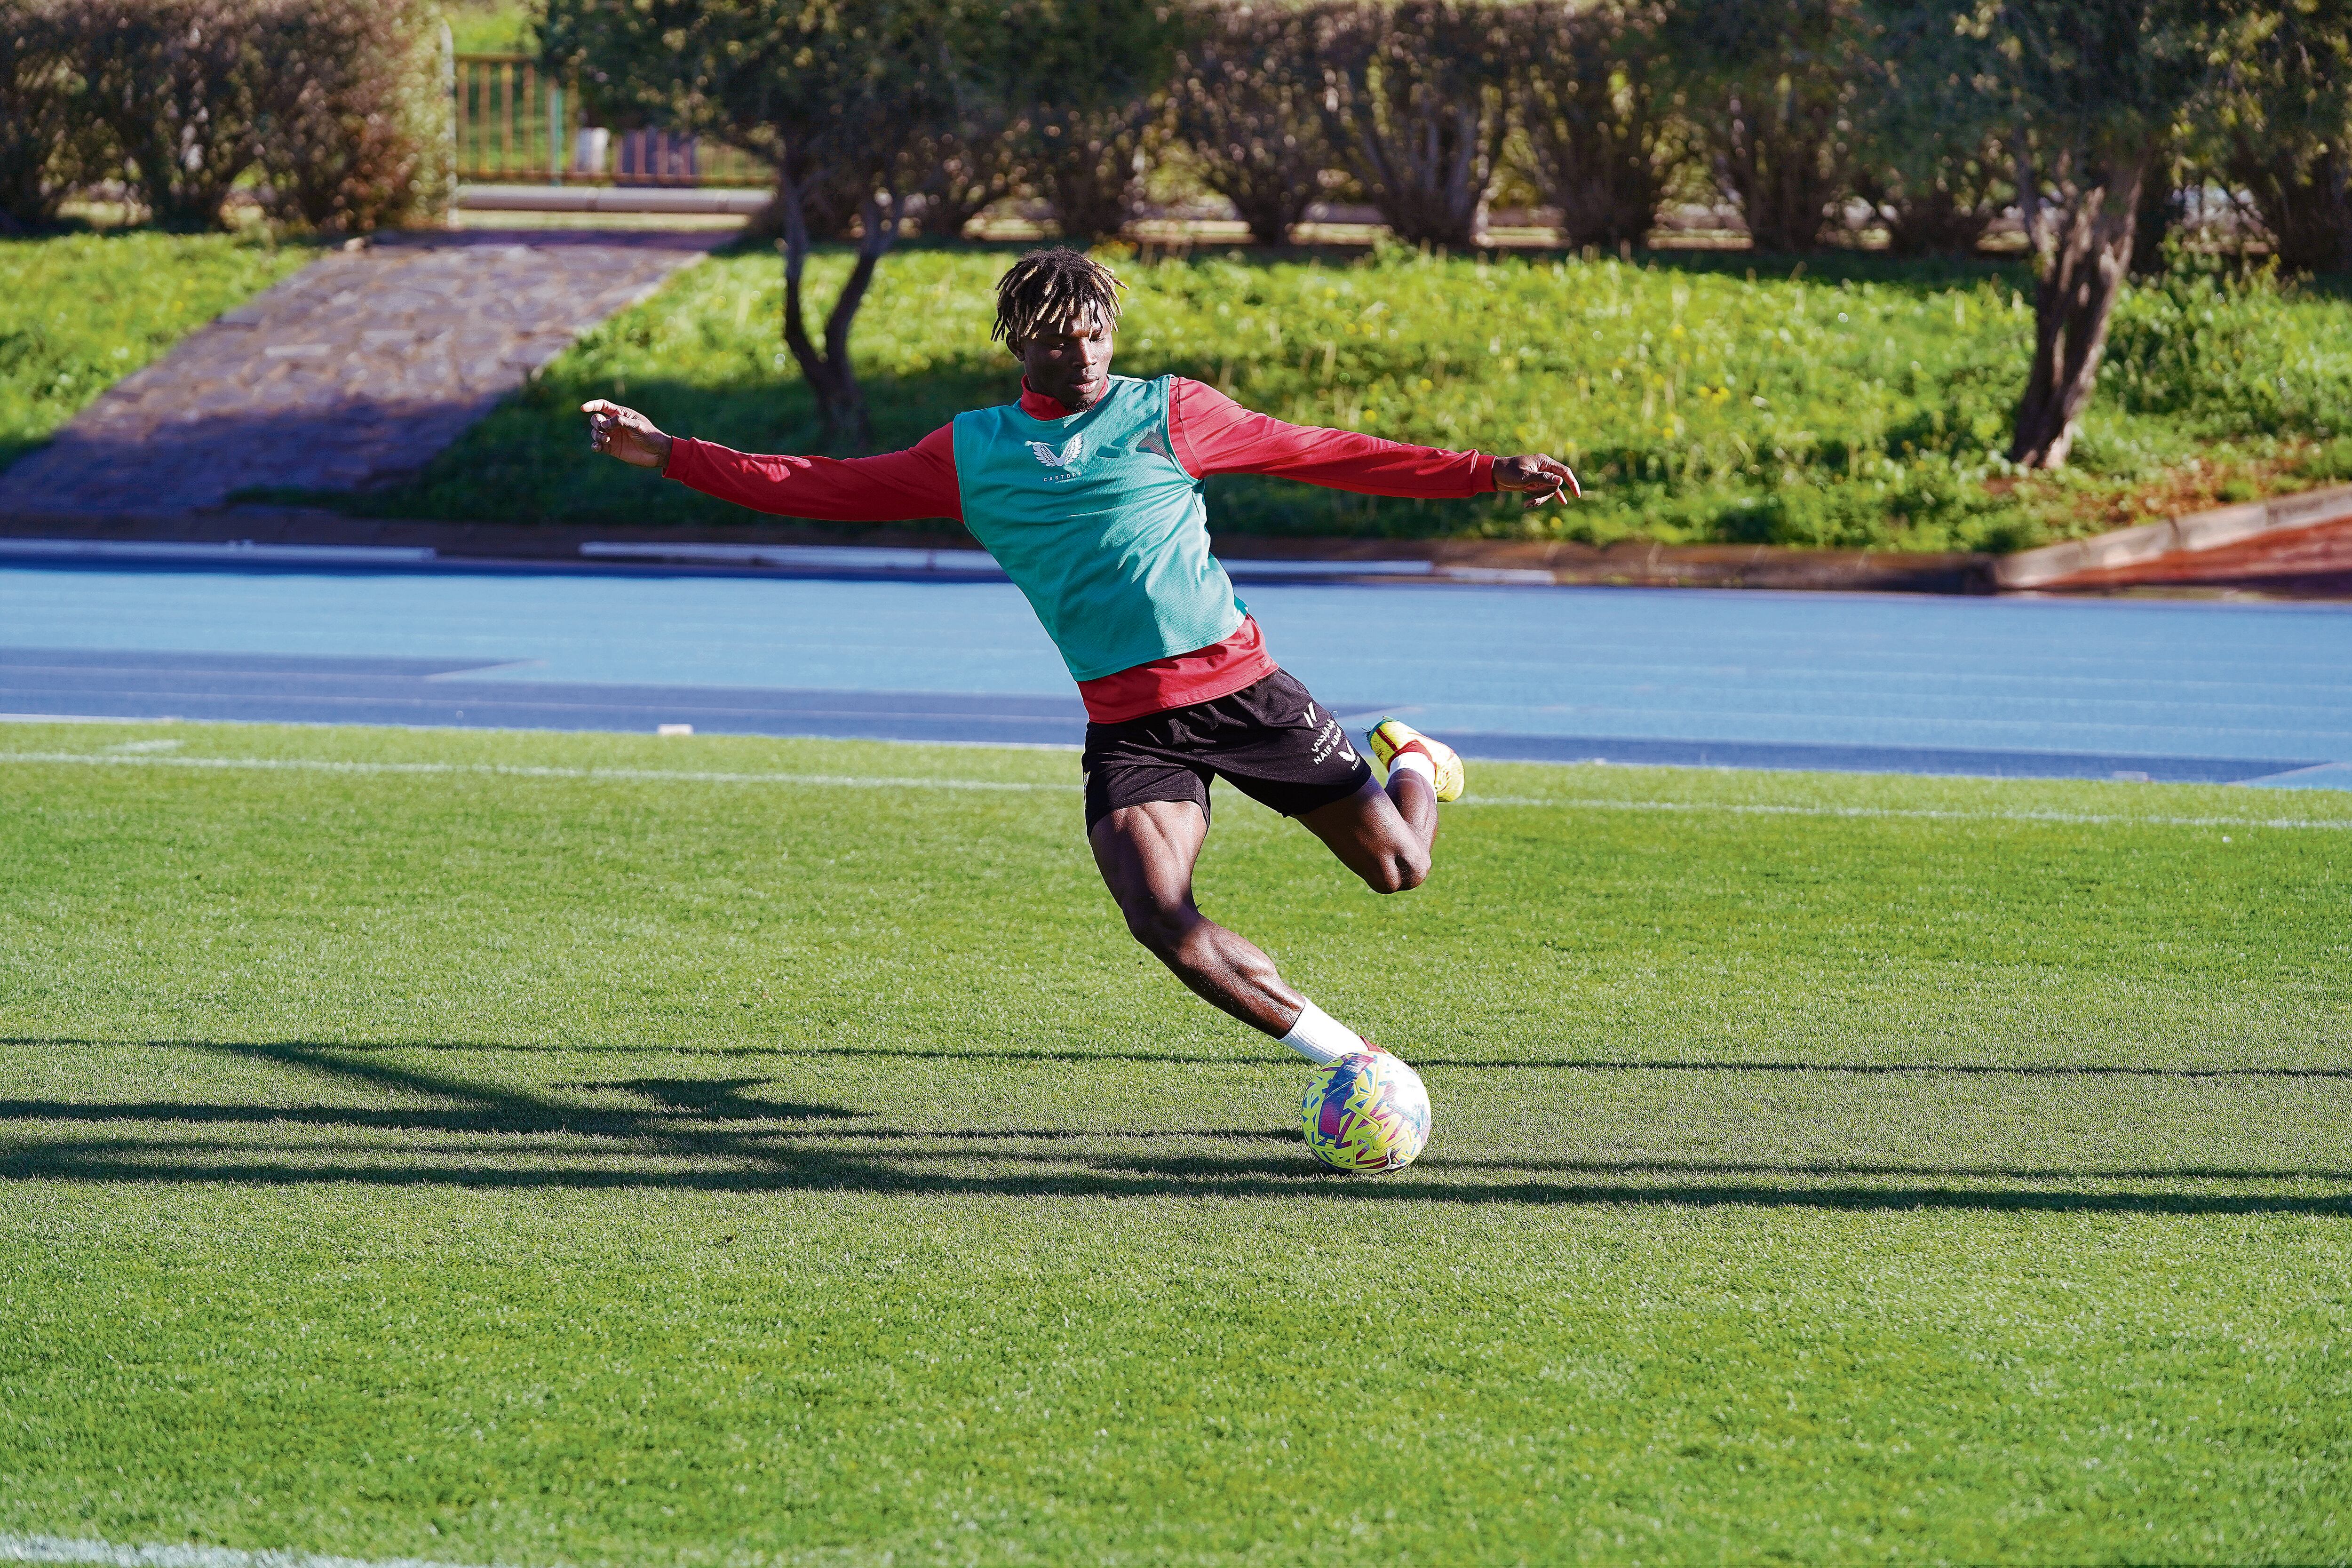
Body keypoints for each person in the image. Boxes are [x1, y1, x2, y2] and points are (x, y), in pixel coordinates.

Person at [581, 248, 1578, 1067]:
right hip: (1131, 727)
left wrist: (1485, 473)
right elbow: (816, 483)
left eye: (1097, 326)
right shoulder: (969, 450)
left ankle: (1412, 761)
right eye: (1061, 332)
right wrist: (672, 452)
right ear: (1020, 341)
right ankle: (1356, 1060)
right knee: (1163, 919)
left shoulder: (1170, 412)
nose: (1085, 346)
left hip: (1246, 695)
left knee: (1399, 870)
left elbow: (1319, 450)